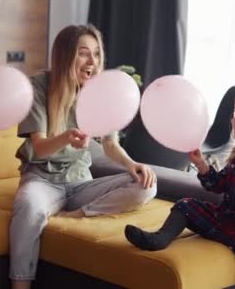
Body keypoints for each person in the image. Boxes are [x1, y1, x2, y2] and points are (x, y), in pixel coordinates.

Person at [10, 25, 157, 288]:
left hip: (80, 183)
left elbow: (110, 145)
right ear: (66, 56)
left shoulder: (99, 93)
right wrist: (66, 136)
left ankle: (77, 214)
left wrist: (132, 164)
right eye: (84, 53)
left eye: (97, 54)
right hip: (42, 180)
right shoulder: (38, 86)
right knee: (28, 208)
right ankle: (20, 286)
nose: (92, 62)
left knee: (146, 185)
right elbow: (40, 148)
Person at [125, 89, 235, 289]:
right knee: (186, 205)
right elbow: (218, 185)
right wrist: (202, 164)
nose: (231, 119)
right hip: (226, 223)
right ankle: (159, 239)